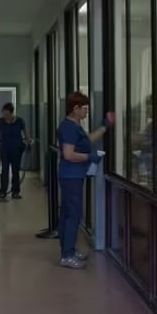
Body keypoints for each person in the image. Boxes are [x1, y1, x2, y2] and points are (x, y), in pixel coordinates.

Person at [55, 91, 113, 269]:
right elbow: (68, 154)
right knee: (73, 214)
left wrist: (105, 127)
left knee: (68, 213)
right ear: (75, 109)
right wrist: (89, 157)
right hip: (71, 176)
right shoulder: (70, 128)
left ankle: (68, 250)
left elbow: (86, 140)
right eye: (84, 109)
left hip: (71, 175)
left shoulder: (74, 126)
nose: (86, 112)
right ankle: (67, 255)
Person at [0, 102, 30, 199]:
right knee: (5, 170)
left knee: (15, 170)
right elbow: (0, 132)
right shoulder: (0, 121)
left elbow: (25, 132)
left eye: (7, 114)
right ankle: (3, 191)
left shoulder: (20, 121)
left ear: (11, 113)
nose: (5, 116)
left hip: (16, 149)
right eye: (3, 113)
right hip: (5, 149)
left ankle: (15, 191)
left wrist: (28, 141)